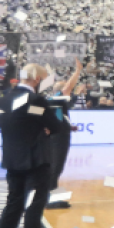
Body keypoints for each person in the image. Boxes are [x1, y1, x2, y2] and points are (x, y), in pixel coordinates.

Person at [0, 63, 68, 228]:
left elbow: (13, 121)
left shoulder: (5, 98)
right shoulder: (35, 100)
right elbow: (56, 125)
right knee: (33, 208)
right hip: (36, 161)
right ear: (37, 79)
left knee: (13, 206)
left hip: (12, 160)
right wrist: (45, 126)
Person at [45, 58, 83, 210]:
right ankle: (49, 200)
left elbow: (57, 119)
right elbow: (68, 86)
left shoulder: (55, 102)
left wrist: (69, 126)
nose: (70, 93)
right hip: (58, 138)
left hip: (58, 135)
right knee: (55, 168)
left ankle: (52, 198)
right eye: (69, 91)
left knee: (56, 168)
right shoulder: (58, 98)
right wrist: (78, 70)